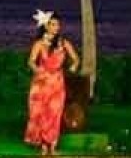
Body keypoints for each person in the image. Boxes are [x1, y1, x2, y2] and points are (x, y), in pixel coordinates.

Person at [25, 10, 81, 156]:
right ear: (46, 26)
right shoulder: (39, 43)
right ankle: (44, 147)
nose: (57, 27)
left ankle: (53, 146)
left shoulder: (63, 43)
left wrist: (74, 65)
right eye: (53, 24)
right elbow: (30, 61)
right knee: (41, 113)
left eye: (58, 25)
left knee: (55, 113)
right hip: (42, 82)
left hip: (57, 82)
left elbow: (76, 58)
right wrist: (37, 70)